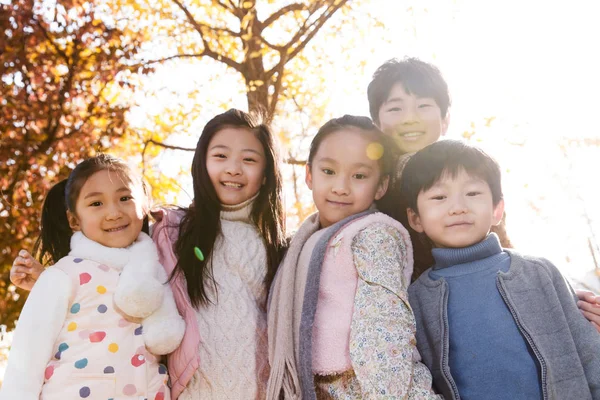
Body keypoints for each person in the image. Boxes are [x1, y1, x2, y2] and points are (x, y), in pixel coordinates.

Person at [368, 56, 600, 330]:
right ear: (376, 123)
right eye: (395, 108)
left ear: (445, 120)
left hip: (480, 312)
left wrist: (562, 298)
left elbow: (503, 253)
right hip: (410, 325)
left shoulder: (474, 173)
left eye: (423, 105)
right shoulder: (370, 185)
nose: (410, 118)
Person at [401, 140, 600, 399]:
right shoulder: (416, 299)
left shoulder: (539, 272)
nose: (458, 207)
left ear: (497, 209)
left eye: (472, 193)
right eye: (439, 197)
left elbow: (589, 352)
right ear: (416, 218)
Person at [267, 115, 440, 399]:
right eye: (329, 171)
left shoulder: (374, 235)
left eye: (359, 176)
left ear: (381, 186)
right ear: (309, 175)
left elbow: (384, 325)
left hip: (373, 388)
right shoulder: (307, 240)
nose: (341, 187)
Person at [0, 154, 184, 400]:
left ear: (143, 204)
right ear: (74, 220)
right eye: (97, 204)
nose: (114, 212)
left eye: (125, 198)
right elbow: (26, 361)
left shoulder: (155, 270)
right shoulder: (63, 275)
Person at [150, 109, 287, 399]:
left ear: (265, 175)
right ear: (202, 164)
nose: (233, 169)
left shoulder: (276, 246)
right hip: (194, 390)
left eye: (249, 159)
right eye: (221, 156)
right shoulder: (173, 231)